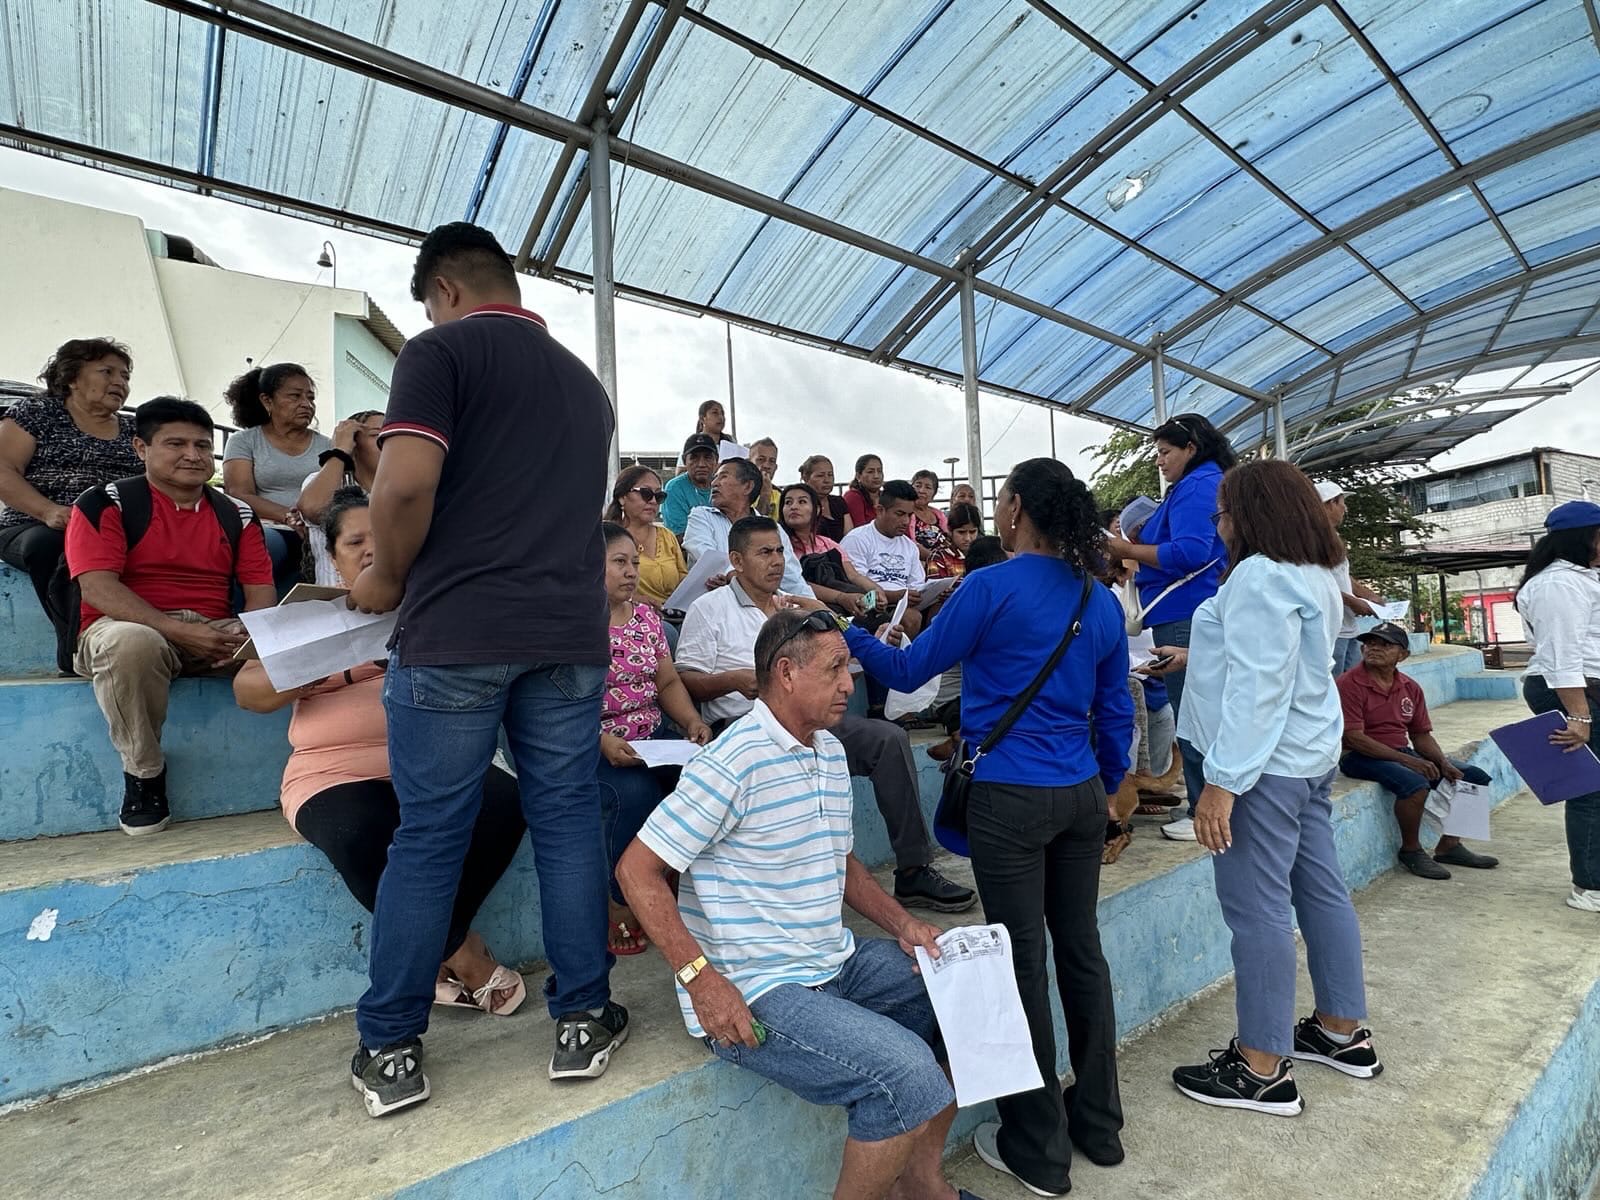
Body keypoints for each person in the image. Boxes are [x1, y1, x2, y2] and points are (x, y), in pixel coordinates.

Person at [345, 221, 624, 1117]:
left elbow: (403, 483)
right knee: (568, 821)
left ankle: (391, 1046)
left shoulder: (440, 351)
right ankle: (583, 1017)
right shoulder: (586, 387)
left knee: (431, 835)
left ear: (446, 290)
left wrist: (385, 577)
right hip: (567, 635)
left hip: (459, 632)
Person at [616, 609, 985, 1200]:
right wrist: (701, 980)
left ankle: (919, 1182)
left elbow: (841, 862)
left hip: (834, 962)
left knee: (969, 993)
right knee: (905, 1073)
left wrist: (903, 923)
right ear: (786, 673)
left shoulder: (828, 752)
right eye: (834, 668)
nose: (848, 683)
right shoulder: (731, 762)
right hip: (757, 985)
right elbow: (637, 870)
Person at [846, 457, 1131, 1198]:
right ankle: (1099, 1124)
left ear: (1016, 510)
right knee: (1082, 951)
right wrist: (1106, 790)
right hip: (1080, 792)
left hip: (1008, 796)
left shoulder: (989, 586)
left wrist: (850, 635)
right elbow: (1116, 710)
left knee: (1020, 961)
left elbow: (907, 673)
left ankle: (1038, 1149)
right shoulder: (1097, 598)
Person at [234, 488, 528, 1015]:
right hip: (333, 772)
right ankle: (462, 952)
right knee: (360, 831)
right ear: (334, 556)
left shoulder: (437, 607)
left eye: (384, 537)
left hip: (439, 762)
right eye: (355, 542)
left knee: (504, 803)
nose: (371, 549)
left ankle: (436, 949)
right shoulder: (308, 617)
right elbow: (248, 692)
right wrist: (325, 670)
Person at [1151, 460, 1380, 1119]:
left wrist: (1222, 784)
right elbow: (1275, 659)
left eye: (1222, 513)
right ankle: (1340, 1030)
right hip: (1305, 760)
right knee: (1321, 892)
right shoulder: (1314, 572)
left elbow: (1259, 688)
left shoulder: (1258, 576)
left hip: (1262, 769)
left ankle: (1260, 1068)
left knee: (1257, 911)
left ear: (1249, 516)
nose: (1218, 525)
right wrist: (1195, 656)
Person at [675, 515, 974, 914]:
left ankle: (913, 869)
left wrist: (882, 642)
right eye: (764, 553)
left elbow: (839, 667)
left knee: (887, 739)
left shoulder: (796, 609)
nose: (776, 561)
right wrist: (733, 680)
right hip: (742, 726)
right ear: (737, 560)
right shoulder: (709, 608)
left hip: (810, 723)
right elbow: (686, 679)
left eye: (779, 551)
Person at [65, 397, 275, 836]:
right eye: (176, 444)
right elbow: (98, 588)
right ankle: (144, 774)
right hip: (122, 628)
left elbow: (260, 593)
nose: (193, 455)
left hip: (211, 630)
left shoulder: (236, 513)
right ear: (141, 448)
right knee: (132, 643)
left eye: (203, 445)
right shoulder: (107, 502)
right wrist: (179, 630)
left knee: (300, 643)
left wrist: (248, 634)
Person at [1105, 413, 1234, 842]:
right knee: (1196, 710)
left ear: (1191, 448)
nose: (1159, 461)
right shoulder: (1203, 482)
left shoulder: (1197, 485)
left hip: (1183, 612)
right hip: (1186, 610)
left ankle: (1203, 809)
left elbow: (1190, 552)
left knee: (1192, 714)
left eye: (1165, 452)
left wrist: (1124, 549)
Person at [597, 522, 713, 954]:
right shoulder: (574, 625)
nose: (632, 572)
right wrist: (601, 740)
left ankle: (683, 884)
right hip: (595, 743)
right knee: (636, 794)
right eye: (619, 562)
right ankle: (620, 897)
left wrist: (691, 722)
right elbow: (562, 703)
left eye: (635, 562)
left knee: (704, 779)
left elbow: (666, 683)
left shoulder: (647, 619)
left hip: (653, 736)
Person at [0, 338, 142, 671]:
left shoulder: (135, 430)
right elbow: (4, 469)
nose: (120, 382)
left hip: (113, 529)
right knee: (52, 545)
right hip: (33, 524)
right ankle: (76, 647)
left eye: (125, 376)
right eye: (107, 372)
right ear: (72, 377)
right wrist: (48, 511)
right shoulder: (36, 413)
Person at [1336, 622, 1500, 879]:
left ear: (1402, 655)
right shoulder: (1349, 683)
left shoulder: (1409, 687)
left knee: (1472, 777)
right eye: (1369, 643)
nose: (1374, 649)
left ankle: (1449, 846)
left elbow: (1420, 735)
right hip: (1358, 755)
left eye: (1385, 645)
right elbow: (1354, 738)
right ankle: (1411, 850)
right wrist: (1408, 761)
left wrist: (1443, 762)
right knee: (1414, 784)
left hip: (1399, 750)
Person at [1514, 500, 1600, 912]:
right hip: (1572, 691)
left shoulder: (1582, 578)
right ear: (1586, 537)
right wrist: (1579, 716)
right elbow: (1561, 656)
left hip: (1585, 688)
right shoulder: (1558, 584)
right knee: (1590, 789)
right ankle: (1589, 886)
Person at [221, 363, 333, 595]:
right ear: (267, 401)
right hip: (268, 527)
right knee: (265, 547)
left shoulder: (328, 446)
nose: (306, 404)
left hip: (317, 530)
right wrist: (289, 517)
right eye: (295, 396)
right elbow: (238, 494)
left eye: (310, 397)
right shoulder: (244, 441)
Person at [683, 457, 814, 599]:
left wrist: (815, 606)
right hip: (710, 604)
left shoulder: (772, 529)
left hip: (761, 607)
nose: (714, 483)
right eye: (714, 478)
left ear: (747, 486)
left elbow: (792, 579)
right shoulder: (701, 516)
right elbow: (706, 555)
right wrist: (733, 575)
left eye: (723, 477)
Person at [297, 410, 385, 586]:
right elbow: (314, 508)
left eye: (391, 434)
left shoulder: (402, 490)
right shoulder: (321, 481)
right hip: (335, 598)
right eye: (376, 435)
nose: (387, 441)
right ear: (353, 443)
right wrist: (340, 451)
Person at [840, 479, 926, 638]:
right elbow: (855, 590)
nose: (906, 521)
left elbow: (917, 587)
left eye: (909, 515)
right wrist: (896, 596)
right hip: (866, 607)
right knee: (911, 618)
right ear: (880, 510)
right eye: (900, 514)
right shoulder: (857, 539)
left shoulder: (910, 546)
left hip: (902, 606)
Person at [780, 481, 875, 618]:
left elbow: (853, 575)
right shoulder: (780, 547)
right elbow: (795, 584)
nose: (793, 507)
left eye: (802, 502)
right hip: (805, 611)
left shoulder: (828, 544)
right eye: (788, 502)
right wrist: (840, 597)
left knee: (873, 612)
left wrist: (876, 591)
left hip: (845, 603)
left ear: (817, 509)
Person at [1316, 481, 1384, 673]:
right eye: (1341, 502)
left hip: (1348, 628)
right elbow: (1318, 582)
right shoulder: (1313, 538)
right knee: (1335, 686)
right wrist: (1353, 602)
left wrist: (1368, 595)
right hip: (1332, 631)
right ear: (1330, 503)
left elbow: (1342, 575)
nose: (1345, 508)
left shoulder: (1333, 536)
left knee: (1351, 685)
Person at [605, 465, 687, 611]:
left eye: (659, 496)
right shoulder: (608, 537)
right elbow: (595, 584)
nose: (653, 501)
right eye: (646, 493)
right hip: (626, 614)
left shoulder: (667, 536)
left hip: (672, 614)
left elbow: (684, 579)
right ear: (622, 497)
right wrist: (633, 599)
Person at [660, 432, 718, 538]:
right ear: (684, 461)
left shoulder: (723, 486)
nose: (701, 464)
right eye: (694, 458)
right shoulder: (674, 488)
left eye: (708, 457)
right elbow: (679, 536)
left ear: (716, 461)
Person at [800, 454, 853, 540]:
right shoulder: (801, 505)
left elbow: (850, 536)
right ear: (806, 478)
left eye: (830, 475)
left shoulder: (839, 502)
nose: (827, 480)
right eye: (820, 476)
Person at [843, 453, 884, 529]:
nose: (876, 476)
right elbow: (860, 529)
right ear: (858, 476)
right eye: (870, 472)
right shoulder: (853, 496)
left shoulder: (886, 496)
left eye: (879, 471)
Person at [748, 436, 781, 517]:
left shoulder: (782, 497)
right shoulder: (739, 493)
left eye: (772, 461)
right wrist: (765, 494)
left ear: (776, 467)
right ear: (749, 463)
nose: (766, 465)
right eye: (761, 459)